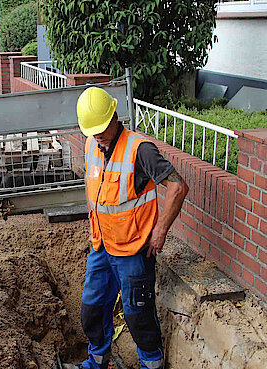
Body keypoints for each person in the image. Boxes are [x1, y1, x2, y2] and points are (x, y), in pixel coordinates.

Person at [64, 87, 189, 369]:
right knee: (92, 309)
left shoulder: (139, 149)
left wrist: (160, 232)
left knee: (138, 316)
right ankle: (97, 362)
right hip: (102, 246)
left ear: (115, 116)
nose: (97, 135)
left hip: (134, 250)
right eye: (92, 130)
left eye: (101, 128)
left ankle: (151, 365)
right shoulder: (91, 144)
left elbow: (178, 186)